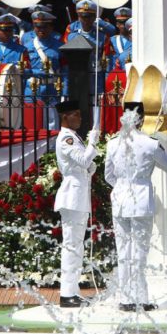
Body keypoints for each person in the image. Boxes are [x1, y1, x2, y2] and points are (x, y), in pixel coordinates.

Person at [104, 102, 167, 312]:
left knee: (123, 250)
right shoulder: (150, 144)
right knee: (140, 251)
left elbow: (109, 175)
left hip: (119, 199)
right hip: (141, 200)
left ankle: (125, 298)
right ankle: (141, 298)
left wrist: (121, 187)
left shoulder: (113, 143)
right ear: (142, 119)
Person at [54, 100, 100, 308]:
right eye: (76, 115)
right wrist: (93, 143)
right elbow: (83, 161)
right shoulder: (66, 138)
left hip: (79, 197)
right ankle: (66, 294)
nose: (80, 119)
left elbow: (86, 165)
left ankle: (73, 290)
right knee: (72, 245)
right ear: (65, 117)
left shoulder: (74, 137)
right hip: (72, 198)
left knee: (77, 246)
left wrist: (90, 165)